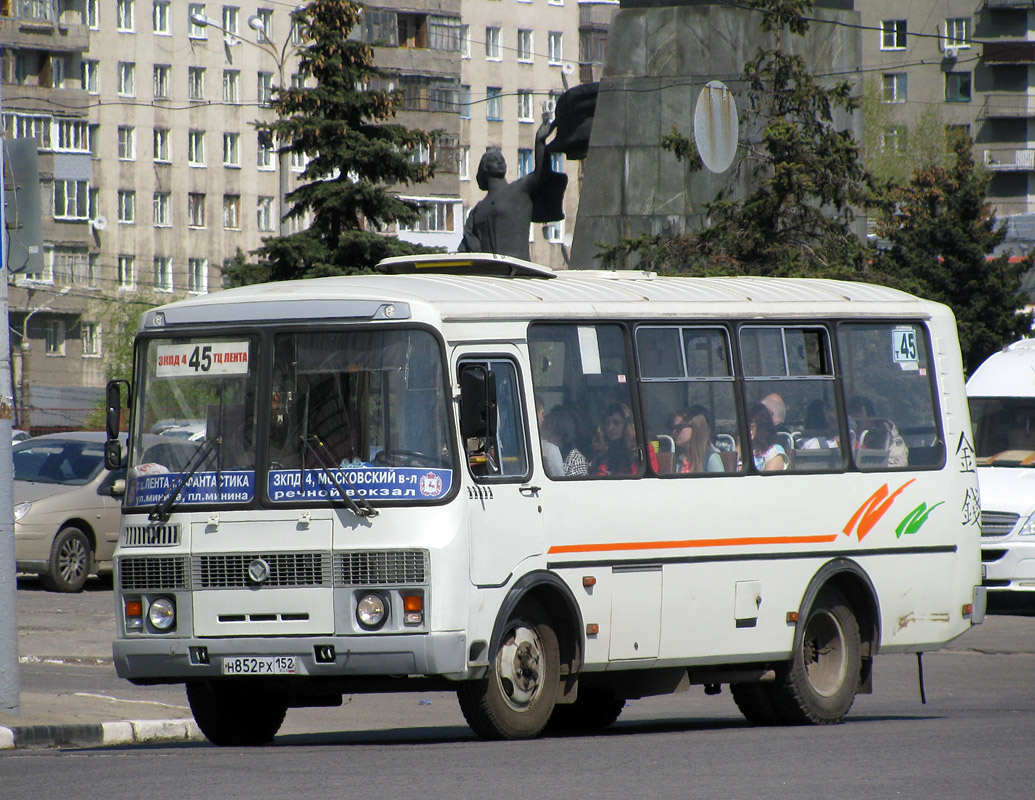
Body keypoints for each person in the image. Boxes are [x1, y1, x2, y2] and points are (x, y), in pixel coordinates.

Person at [458, 112, 561, 260]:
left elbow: (541, 173)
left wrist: (540, 142)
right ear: (485, 168)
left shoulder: (519, 190)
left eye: (502, 159)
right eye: (494, 160)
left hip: (518, 273)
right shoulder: (478, 210)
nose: (500, 161)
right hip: (488, 275)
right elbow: (467, 247)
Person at [669, 407, 723, 473]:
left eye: (679, 428)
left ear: (695, 428)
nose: (674, 432)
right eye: (673, 428)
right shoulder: (676, 459)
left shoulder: (711, 459)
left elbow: (721, 483)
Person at [594, 403, 639, 476]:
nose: (610, 428)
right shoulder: (603, 453)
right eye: (607, 424)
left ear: (627, 425)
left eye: (616, 423)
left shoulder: (642, 450)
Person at [748, 402, 788, 471]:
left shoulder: (774, 452)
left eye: (751, 425)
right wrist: (739, 447)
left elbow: (767, 480)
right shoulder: (734, 450)